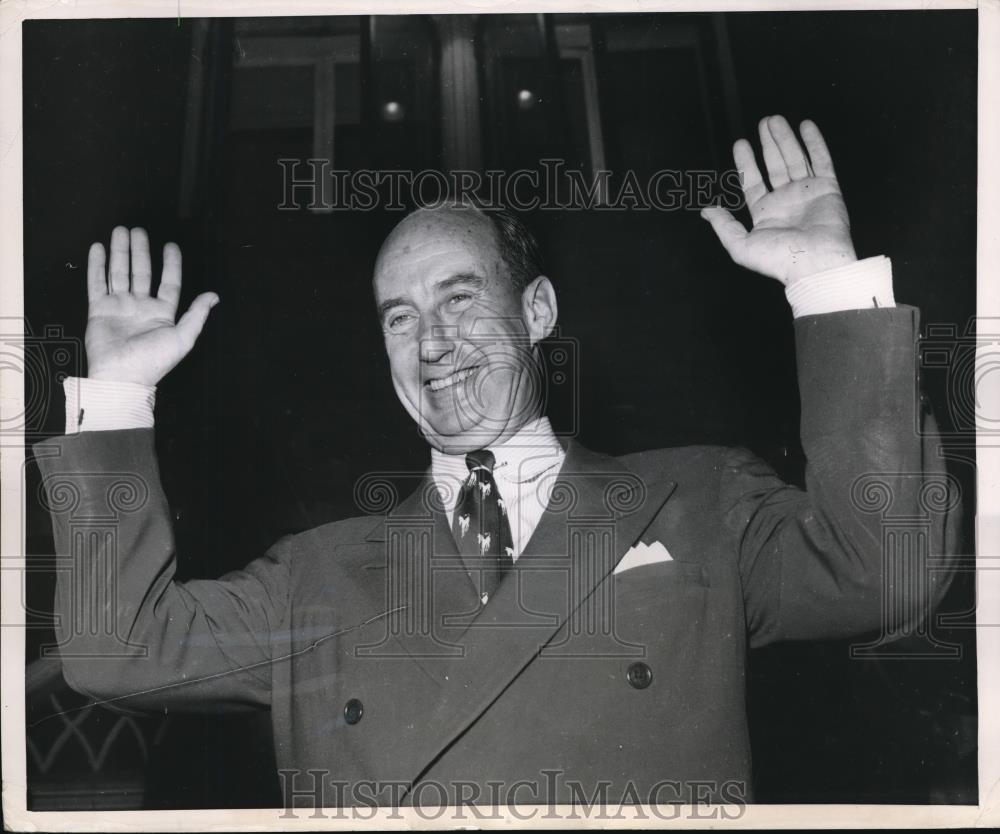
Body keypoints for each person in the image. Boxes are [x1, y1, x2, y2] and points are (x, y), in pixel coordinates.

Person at [35, 115, 959, 808]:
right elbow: (117, 651)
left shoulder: (699, 499)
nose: (432, 341)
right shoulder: (315, 576)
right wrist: (116, 392)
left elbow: (890, 567)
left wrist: (827, 285)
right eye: (400, 317)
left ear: (539, 312)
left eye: (461, 298)